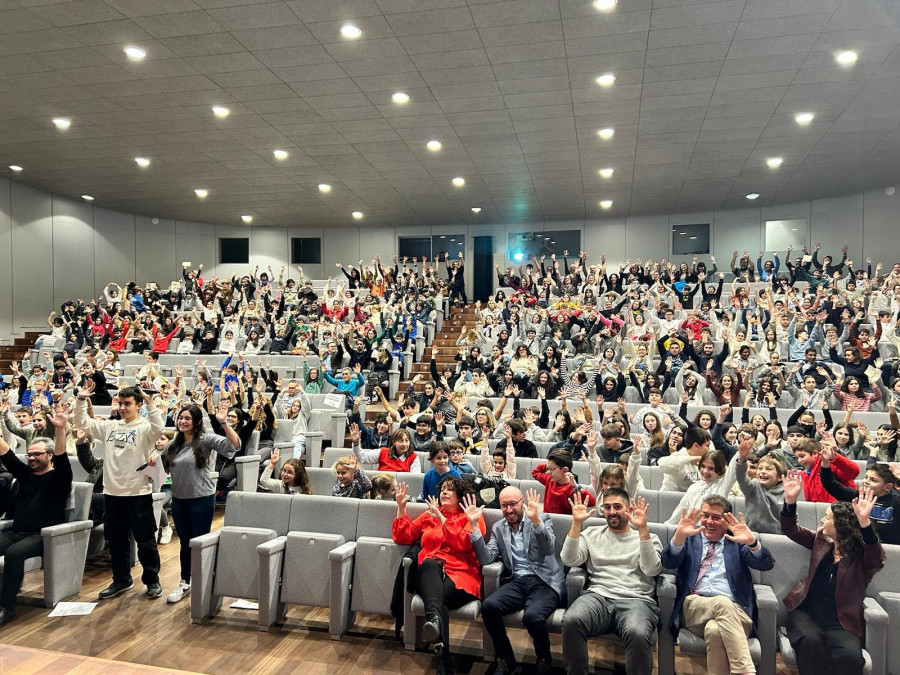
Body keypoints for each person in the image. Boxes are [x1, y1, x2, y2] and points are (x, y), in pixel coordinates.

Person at [781, 472, 885, 675]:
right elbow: (790, 529)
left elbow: (876, 558)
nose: (821, 521)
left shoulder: (862, 556)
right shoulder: (821, 540)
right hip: (806, 612)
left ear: (841, 525)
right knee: (811, 642)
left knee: (850, 656)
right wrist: (790, 502)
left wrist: (864, 523)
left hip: (840, 620)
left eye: (827, 518)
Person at [661, 496, 776, 675]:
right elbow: (669, 562)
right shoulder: (690, 538)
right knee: (721, 603)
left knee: (714, 631)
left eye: (716, 517)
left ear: (727, 520)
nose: (709, 521)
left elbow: (766, 564)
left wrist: (752, 543)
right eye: (705, 515)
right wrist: (678, 538)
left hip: (736, 612)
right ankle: (745, 671)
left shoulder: (736, 541)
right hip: (694, 607)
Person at [74, 380, 165, 601]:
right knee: (116, 541)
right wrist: (81, 399)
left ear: (138, 405)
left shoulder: (144, 427)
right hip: (111, 494)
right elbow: (82, 422)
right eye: (120, 403)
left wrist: (152, 404)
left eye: (128, 403)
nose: (123, 407)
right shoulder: (110, 426)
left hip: (138, 493)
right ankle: (121, 579)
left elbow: (158, 429)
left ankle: (152, 580)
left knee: (145, 542)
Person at [561, 490, 661, 675]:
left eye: (617, 506)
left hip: (637, 600)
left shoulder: (648, 537)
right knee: (571, 620)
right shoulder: (591, 533)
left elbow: (652, 570)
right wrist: (576, 523)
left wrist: (643, 530)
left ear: (628, 509)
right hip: (598, 596)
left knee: (637, 633)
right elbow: (569, 559)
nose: (612, 511)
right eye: (607, 507)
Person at [392, 477, 485, 675]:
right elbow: (403, 536)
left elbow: (465, 544)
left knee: (436, 603)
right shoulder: (429, 515)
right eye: (442, 488)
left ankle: (441, 653)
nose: (444, 492)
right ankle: (441, 652)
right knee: (429, 563)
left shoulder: (471, 516)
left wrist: (442, 518)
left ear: (460, 495)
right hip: (430, 574)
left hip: (461, 574)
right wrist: (401, 508)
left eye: (449, 489)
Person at [465, 487, 563, 673]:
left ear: (522, 503)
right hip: (516, 581)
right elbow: (486, 558)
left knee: (532, 617)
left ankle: (544, 659)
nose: (509, 510)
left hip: (543, 581)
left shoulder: (542, 518)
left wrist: (536, 521)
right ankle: (506, 658)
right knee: (489, 607)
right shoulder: (498, 527)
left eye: (513, 504)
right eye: (504, 505)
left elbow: (549, 549)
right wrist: (474, 526)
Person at [160, 404, 240, 604]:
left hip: (201, 500)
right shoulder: (173, 445)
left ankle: (204, 581)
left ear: (196, 422)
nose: (182, 421)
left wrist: (223, 422)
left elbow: (234, 445)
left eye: (187, 418)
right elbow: (161, 465)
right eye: (180, 418)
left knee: (199, 542)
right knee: (185, 543)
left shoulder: (206, 440)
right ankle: (185, 581)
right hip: (179, 500)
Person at [0, 410, 71, 626]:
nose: (31, 458)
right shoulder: (25, 475)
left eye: (37, 454)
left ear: (48, 456)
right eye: (29, 455)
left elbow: (61, 456)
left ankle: (6, 607)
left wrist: (60, 429)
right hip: (16, 532)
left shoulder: (59, 478)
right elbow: (6, 454)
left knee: (13, 554)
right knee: (9, 546)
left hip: (42, 536)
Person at [531, 449, 595, 515]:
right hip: (547, 522)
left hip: (564, 523)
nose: (549, 472)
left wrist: (576, 486)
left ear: (565, 470)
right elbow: (534, 472)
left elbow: (592, 502)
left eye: (552, 469)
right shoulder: (549, 479)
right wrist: (549, 465)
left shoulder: (572, 488)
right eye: (548, 469)